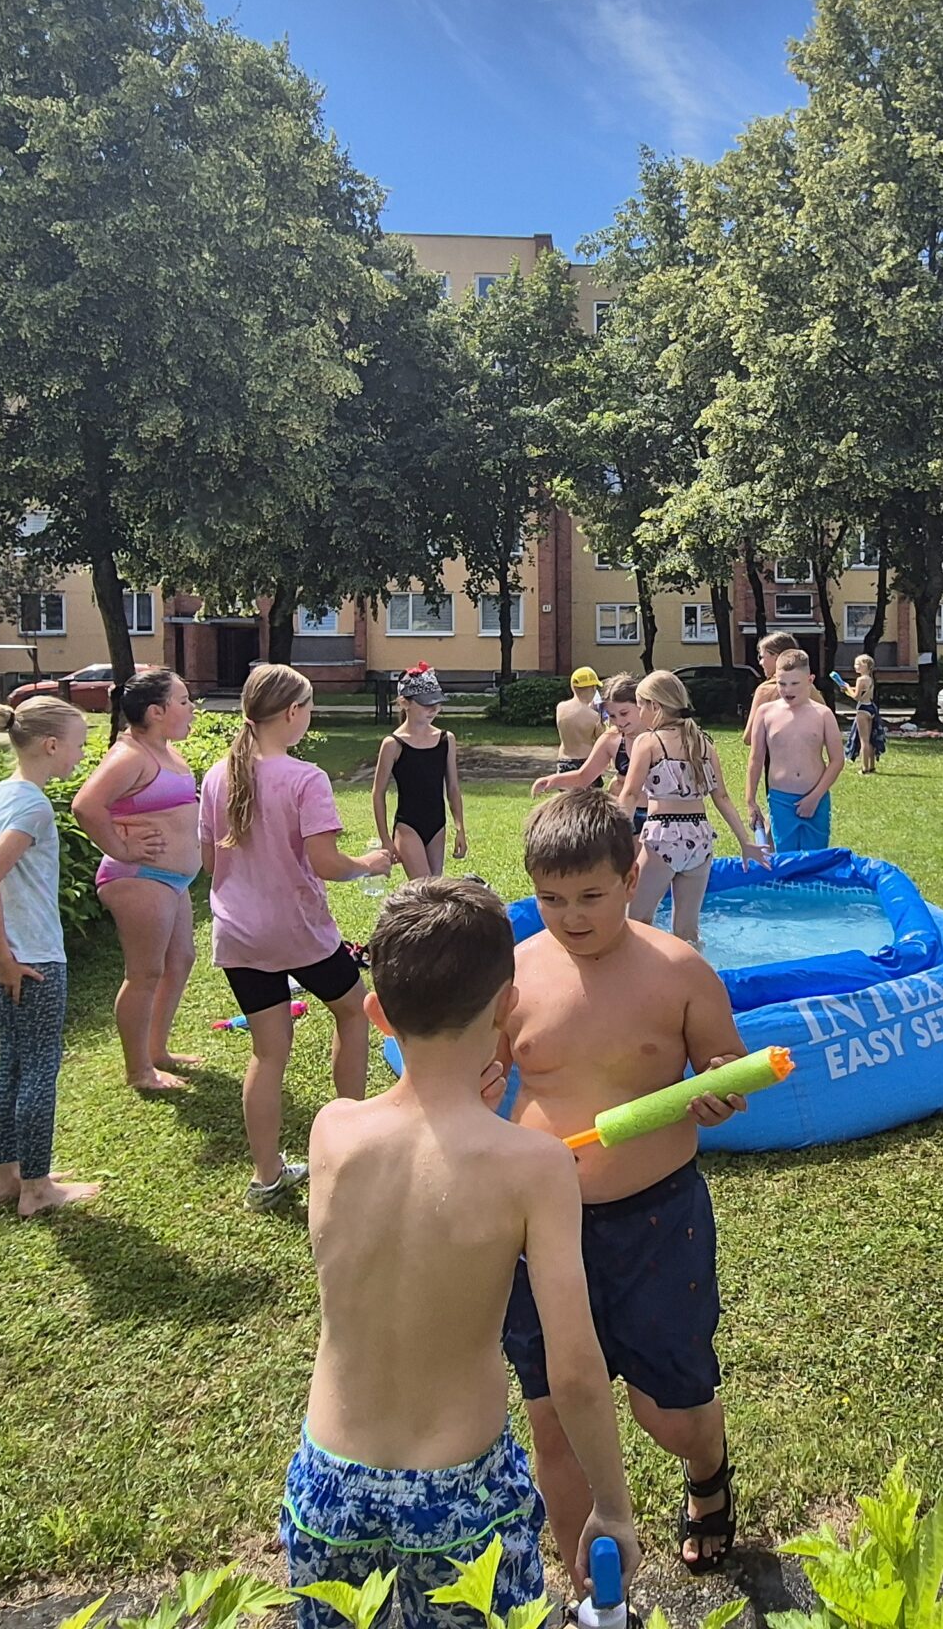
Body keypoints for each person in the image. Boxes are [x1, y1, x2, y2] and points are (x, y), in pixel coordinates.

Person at [284, 876, 641, 1629]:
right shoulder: (534, 1168)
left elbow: (417, 1183)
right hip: (458, 1492)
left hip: (328, 1482)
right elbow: (575, 1371)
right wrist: (611, 1506)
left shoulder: (332, 1131)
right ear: (506, 1004)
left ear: (378, 1012)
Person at [501, 791, 751, 1575]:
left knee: (668, 1410)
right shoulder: (514, 976)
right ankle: (591, 1586)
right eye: (550, 899)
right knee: (552, 1415)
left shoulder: (677, 970)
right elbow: (478, 1080)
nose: (570, 917)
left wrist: (718, 1087)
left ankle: (706, 1471)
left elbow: (724, 1065)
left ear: (632, 876)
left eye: (591, 896)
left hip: (656, 1220)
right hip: (540, 1227)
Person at [204, 663, 397, 1209]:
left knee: (268, 1055)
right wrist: (370, 863)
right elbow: (327, 863)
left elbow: (209, 861)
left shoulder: (218, 775)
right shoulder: (305, 778)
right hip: (298, 931)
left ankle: (266, 1177)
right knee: (354, 1011)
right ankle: (348, 1147)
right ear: (293, 712)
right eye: (308, 708)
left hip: (238, 934)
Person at [0, 697, 100, 1215]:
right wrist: (5, 959)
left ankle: (7, 1175)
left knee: (11, 1061)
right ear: (51, 745)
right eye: (79, 745)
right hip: (32, 957)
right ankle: (36, 1189)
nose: (82, 755)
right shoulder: (32, 805)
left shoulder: (2, 794)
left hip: (8, 955)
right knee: (38, 1066)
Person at [71, 668, 201, 1093]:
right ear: (156, 711)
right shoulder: (129, 756)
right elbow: (86, 805)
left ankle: (157, 1050)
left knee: (180, 960)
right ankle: (139, 1071)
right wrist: (121, 848)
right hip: (140, 877)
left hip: (172, 879)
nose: (192, 709)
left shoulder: (162, 750)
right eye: (183, 701)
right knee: (144, 973)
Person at [618, 670, 762, 941]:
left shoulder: (648, 742)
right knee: (688, 931)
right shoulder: (703, 742)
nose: (639, 713)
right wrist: (745, 842)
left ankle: (640, 968)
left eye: (640, 706)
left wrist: (614, 836)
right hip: (700, 838)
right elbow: (721, 797)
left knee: (637, 921)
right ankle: (694, 968)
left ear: (655, 706)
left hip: (664, 836)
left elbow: (630, 794)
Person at [372, 663, 466, 882]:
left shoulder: (446, 740)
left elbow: (453, 788)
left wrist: (460, 828)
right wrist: (385, 839)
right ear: (405, 703)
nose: (433, 709)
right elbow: (378, 793)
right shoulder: (393, 744)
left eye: (437, 703)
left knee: (434, 887)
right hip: (408, 825)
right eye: (426, 704)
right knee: (423, 887)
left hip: (437, 823)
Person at [746, 648, 844, 854]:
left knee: (815, 858)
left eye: (794, 683)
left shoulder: (823, 715)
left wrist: (815, 796)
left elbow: (837, 760)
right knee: (785, 856)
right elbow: (756, 759)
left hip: (816, 797)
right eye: (782, 684)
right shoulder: (766, 713)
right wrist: (751, 800)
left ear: (810, 680)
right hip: (780, 798)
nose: (787, 690)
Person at [531, 674, 643, 812]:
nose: (619, 721)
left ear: (640, 705)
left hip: (656, 814)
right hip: (623, 812)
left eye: (624, 713)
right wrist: (552, 780)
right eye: (612, 716)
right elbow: (583, 777)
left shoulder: (659, 736)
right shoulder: (611, 739)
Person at [742, 630, 803, 726]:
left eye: (762, 657)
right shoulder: (809, 688)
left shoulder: (766, 690)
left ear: (776, 657)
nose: (760, 663)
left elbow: (751, 732)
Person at [554, 667, 607, 773]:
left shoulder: (560, 708)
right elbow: (601, 739)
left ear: (572, 687)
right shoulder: (594, 716)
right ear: (593, 688)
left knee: (564, 784)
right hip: (585, 761)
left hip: (563, 760)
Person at [849, 655, 883, 775]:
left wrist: (847, 688)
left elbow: (856, 697)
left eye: (858, 664)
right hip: (871, 708)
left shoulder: (860, 679)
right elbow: (864, 692)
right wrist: (850, 689)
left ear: (866, 666)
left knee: (864, 740)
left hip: (863, 710)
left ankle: (864, 768)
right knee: (871, 740)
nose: (855, 666)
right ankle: (872, 766)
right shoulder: (869, 679)